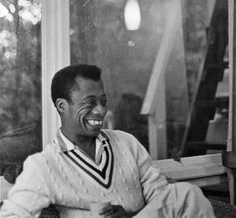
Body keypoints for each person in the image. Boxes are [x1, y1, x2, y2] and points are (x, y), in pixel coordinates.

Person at [1, 64, 216, 218]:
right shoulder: (44, 165)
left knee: (187, 194)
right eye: (90, 102)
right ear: (61, 105)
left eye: (103, 102)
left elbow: (162, 200)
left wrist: (131, 215)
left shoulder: (127, 143)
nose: (101, 110)